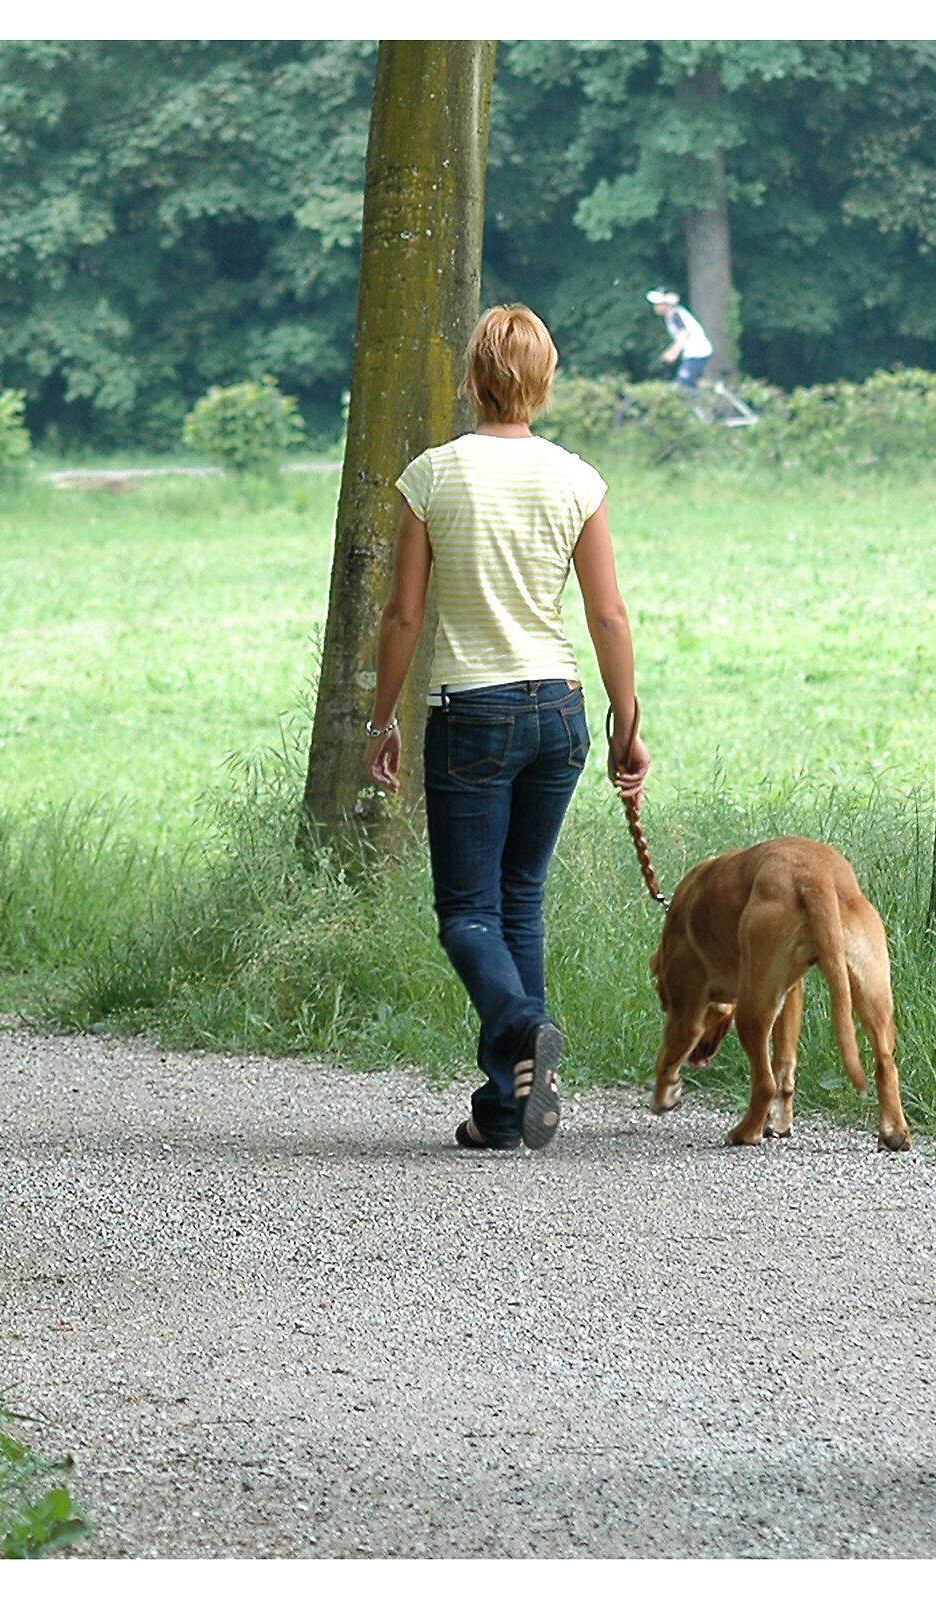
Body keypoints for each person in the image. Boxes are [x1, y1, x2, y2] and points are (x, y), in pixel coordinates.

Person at [364, 302, 651, 1153]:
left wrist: (382, 720)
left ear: (473, 379)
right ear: (544, 381)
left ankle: (525, 1026)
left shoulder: (433, 475)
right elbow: (608, 615)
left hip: (472, 713)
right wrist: (626, 725)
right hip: (559, 711)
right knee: (519, 901)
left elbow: (403, 616)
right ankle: (505, 1108)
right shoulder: (577, 479)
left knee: (466, 912)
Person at [647, 288, 713, 393]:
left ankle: (698, 403)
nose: (655, 307)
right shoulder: (674, 314)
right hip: (694, 352)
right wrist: (670, 352)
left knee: (684, 383)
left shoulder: (675, 315)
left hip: (697, 352)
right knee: (693, 383)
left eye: (658, 304)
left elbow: (684, 334)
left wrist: (673, 354)